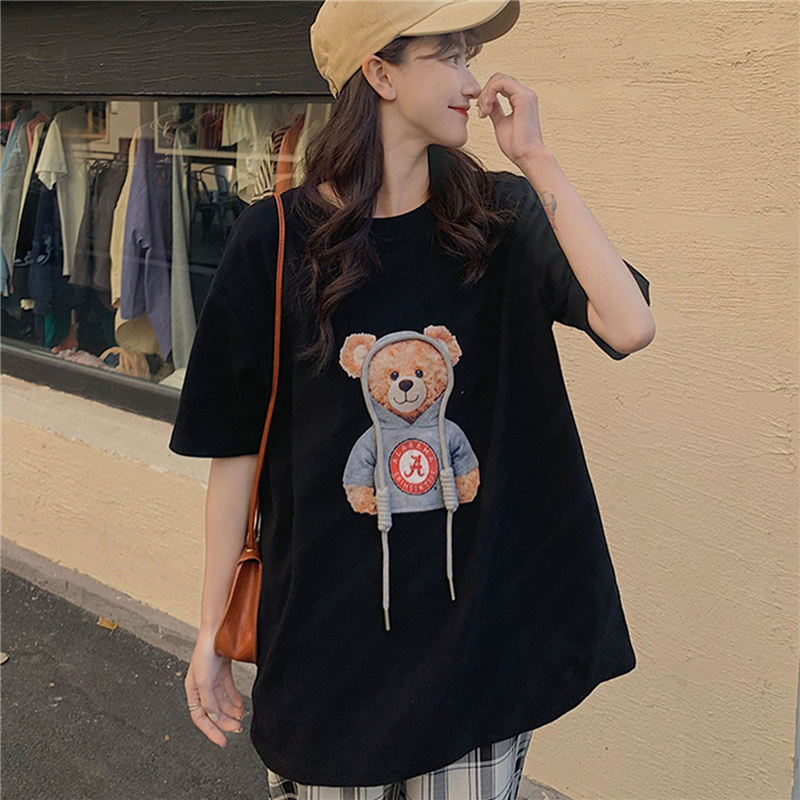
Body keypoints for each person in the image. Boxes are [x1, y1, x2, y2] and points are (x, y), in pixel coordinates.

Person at [167, 1, 656, 798]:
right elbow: (235, 453)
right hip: (329, 653)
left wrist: (537, 158)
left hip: (478, 654)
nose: (472, 82)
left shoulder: (499, 217)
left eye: (470, 57)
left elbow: (630, 325)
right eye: (450, 56)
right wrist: (212, 627)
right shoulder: (274, 241)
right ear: (380, 73)